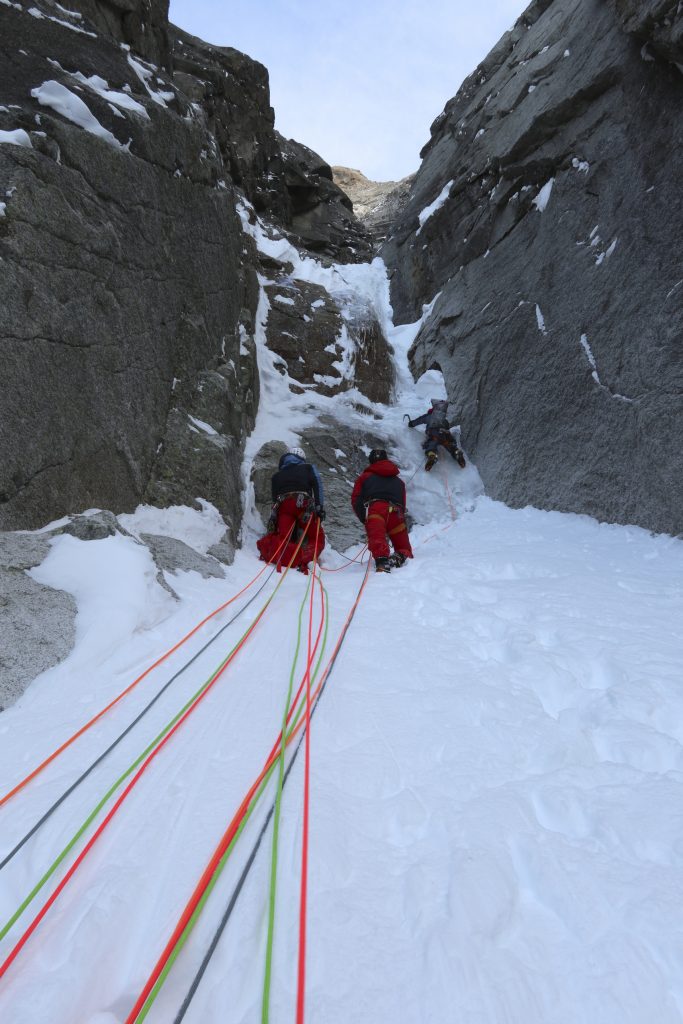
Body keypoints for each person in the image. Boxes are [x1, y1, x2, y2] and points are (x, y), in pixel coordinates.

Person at [256, 447, 326, 573]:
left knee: (283, 538)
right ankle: (308, 560)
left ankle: (284, 556)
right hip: (303, 505)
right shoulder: (308, 468)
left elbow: (274, 498)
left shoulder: (277, 476)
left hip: (283, 507)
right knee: (316, 535)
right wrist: (319, 507)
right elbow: (317, 485)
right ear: (302, 459)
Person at [351, 449, 413, 573]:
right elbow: (403, 501)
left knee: (377, 537)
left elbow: (356, 499)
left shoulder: (365, 477)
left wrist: (364, 517)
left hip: (377, 510)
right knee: (403, 546)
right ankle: (400, 556)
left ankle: (382, 561)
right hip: (397, 513)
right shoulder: (399, 482)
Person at [408, 399, 466, 471]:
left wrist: (411, 424)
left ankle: (432, 455)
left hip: (433, 435)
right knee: (449, 444)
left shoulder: (429, 416)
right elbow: (450, 425)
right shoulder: (445, 417)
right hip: (444, 434)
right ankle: (456, 452)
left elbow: (420, 420)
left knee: (431, 444)